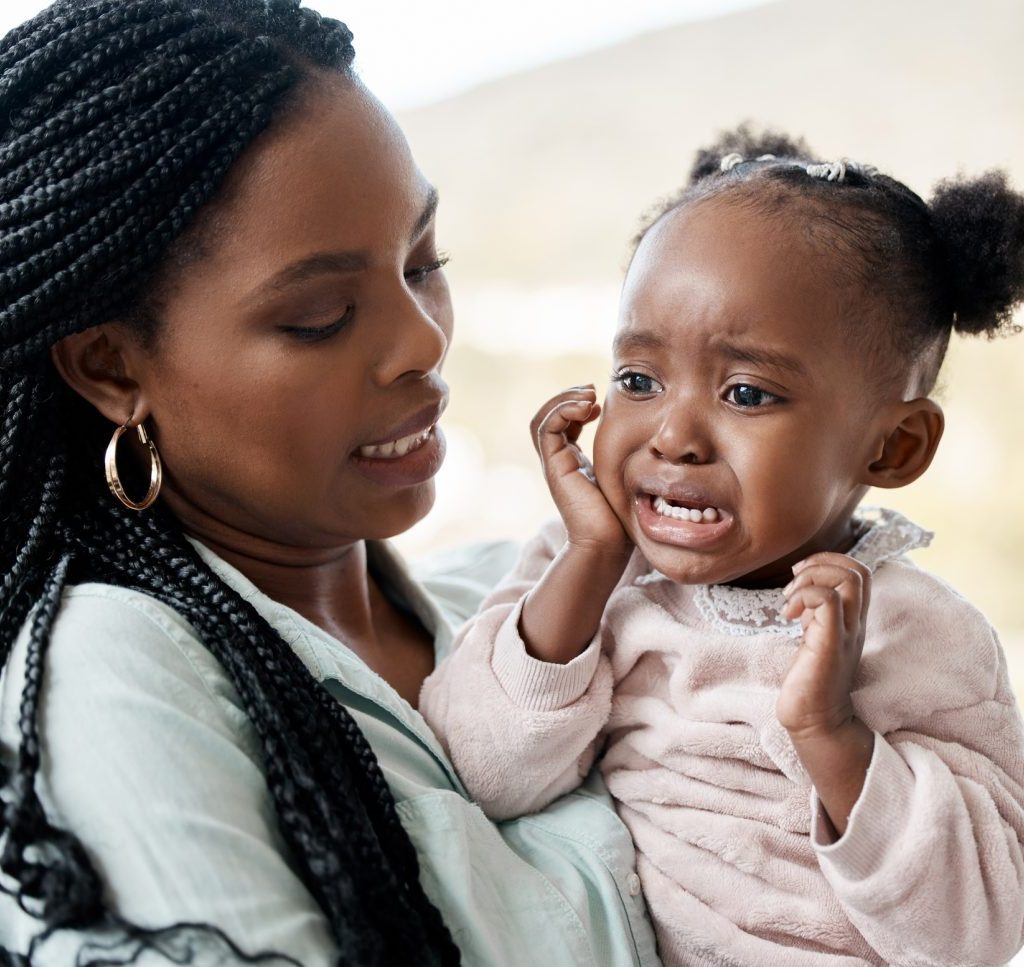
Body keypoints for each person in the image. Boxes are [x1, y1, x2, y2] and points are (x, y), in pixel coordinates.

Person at [0, 1, 661, 964]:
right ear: (110, 367)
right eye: (320, 315)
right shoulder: (111, 679)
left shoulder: (518, 604)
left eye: (424, 262)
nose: (423, 340)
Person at [420, 128, 1024, 966]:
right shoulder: (588, 568)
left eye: (746, 392)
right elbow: (481, 770)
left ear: (892, 448)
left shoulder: (922, 634)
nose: (673, 434)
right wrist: (588, 567)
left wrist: (833, 733)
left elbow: (978, 929)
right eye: (639, 379)